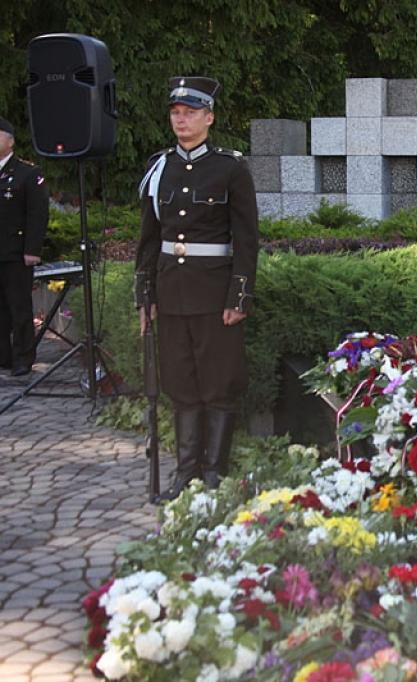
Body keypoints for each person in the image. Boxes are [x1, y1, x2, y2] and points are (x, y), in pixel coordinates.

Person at [134, 77, 258, 501]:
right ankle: (185, 472)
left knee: (218, 383)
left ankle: (213, 474)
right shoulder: (160, 168)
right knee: (181, 383)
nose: (181, 119)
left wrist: (238, 297)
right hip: (171, 293)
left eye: (189, 112)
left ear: (209, 117)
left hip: (215, 293)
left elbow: (246, 238)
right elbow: (149, 241)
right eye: (175, 112)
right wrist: (145, 297)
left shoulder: (230, 168)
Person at [0, 117, 48, 377]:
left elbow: (37, 214)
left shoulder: (28, 173)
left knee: (19, 308)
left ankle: (23, 357)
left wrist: (33, 249)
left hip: (16, 253)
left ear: (11, 140)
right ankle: (3, 356)